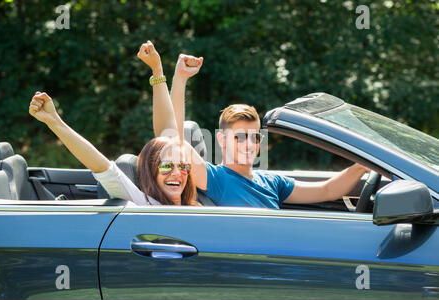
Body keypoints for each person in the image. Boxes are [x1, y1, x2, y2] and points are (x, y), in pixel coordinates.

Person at [154, 52, 370, 209]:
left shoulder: (272, 182)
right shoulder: (215, 179)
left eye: (254, 137)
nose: (249, 144)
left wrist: (362, 165)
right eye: (239, 137)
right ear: (221, 139)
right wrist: (180, 79)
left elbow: (327, 190)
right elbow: (173, 139)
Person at [28, 41, 201, 206]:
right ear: (151, 172)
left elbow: (170, 136)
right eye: (167, 166)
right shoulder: (144, 203)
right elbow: (101, 166)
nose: (178, 173)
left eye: (183, 166)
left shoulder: (194, 205)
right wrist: (53, 121)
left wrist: (158, 69)